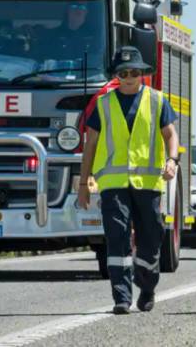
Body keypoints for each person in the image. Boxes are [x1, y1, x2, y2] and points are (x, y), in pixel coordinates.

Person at [77, 46, 180, 315]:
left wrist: (172, 161)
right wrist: (83, 183)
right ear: (117, 76)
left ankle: (147, 287)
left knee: (150, 239)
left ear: (142, 74)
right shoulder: (103, 104)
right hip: (113, 185)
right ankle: (121, 297)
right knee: (117, 238)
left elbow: (170, 135)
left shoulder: (157, 100)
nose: (129, 76)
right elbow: (90, 145)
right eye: (124, 73)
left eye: (134, 71)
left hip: (148, 185)